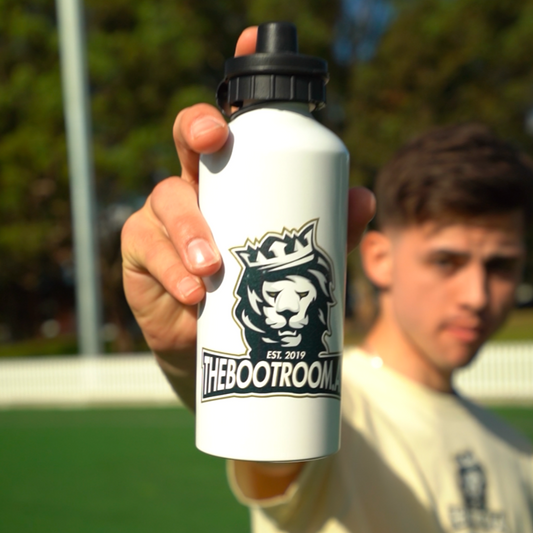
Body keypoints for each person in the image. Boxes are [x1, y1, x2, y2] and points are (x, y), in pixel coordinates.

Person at [121, 27, 533, 533]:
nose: (476, 296)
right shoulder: (341, 409)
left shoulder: (520, 454)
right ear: (378, 258)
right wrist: (196, 360)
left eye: (501, 266)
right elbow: (275, 447)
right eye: (446, 261)